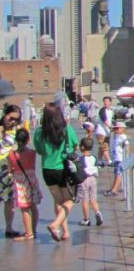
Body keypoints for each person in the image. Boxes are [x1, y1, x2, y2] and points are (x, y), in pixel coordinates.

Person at [33, 101, 79, 242]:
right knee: (70, 200)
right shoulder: (66, 129)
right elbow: (75, 144)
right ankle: (55, 225)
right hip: (63, 169)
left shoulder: (40, 132)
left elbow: (39, 150)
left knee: (58, 201)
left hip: (47, 169)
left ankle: (64, 231)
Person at [8, 128, 41, 241]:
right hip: (32, 181)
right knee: (33, 206)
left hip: (20, 182)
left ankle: (28, 233)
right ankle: (33, 230)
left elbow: (10, 170)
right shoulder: (32, 153)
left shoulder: (11, 155)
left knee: (24, 208)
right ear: (28, 139)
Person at [0, 104, 22, 238]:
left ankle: (9, 227)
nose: (13, 121)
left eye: (16, 119)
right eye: (11, 117)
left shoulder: (17, 131)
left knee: (9, 199)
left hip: (10, 170)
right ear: (5, 114)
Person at [76, 137, 102, 227]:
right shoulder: (94, 158)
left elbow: (78, 169)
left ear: (82, 147)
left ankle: (86, 219)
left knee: (85, 200)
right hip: (93, 178)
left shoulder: (80, 159)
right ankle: (98, 213)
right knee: (93, 200)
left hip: (84, 179)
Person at [108, 120, 129, 198]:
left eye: (118, 128)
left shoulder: (123, 137)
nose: (116, 130)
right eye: (115, 128)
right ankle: (113, 188)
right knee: (116, 174)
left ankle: (114, 190)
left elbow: (126, 145)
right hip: (117, 158)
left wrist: (125, 156)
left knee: (118, 174)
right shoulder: (118, 137)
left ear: (122, 129)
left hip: (120, 158)